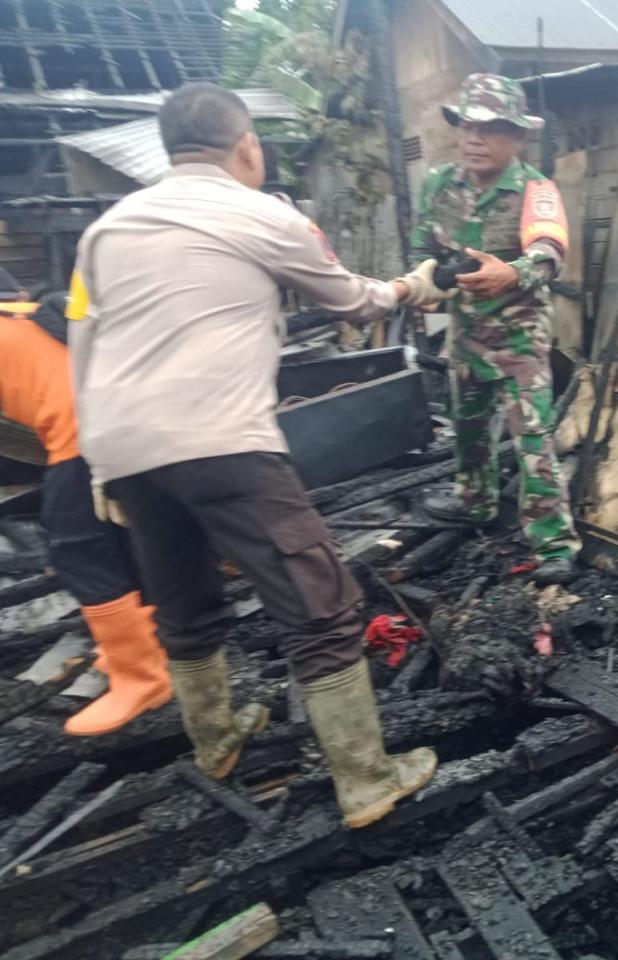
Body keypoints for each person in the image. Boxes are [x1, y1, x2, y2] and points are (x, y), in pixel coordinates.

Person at [66, 83, 446, 829]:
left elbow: (83, 344)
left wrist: (101, 464)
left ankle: (215, 740)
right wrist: (415, 285)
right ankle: (368, 780)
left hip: (123, 445)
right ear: (247, 147)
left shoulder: (103, 233)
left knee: (182, 599)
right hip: (219, 441)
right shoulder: (265, 212)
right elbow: (352, 301)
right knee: (322, 605)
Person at [410, 73, 580, 586]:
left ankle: (554, 543)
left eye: (489, 128)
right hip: (465, 332)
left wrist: (514, 273)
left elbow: (550, 251)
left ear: (517, 137)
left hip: (520, 337)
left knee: (532, 440)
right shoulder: (440, 185)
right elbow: (422, 249)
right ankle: (477, 504)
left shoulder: (535, 189)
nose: (474, 138)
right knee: (466, 429)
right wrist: (425, 279)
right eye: (467, 125)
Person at [0, 285, 172, 736]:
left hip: (85, 423)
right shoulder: (13, 311)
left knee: (76, 550)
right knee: (121, 534)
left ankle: (142, 678)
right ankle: (154, 639)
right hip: (129, 406)